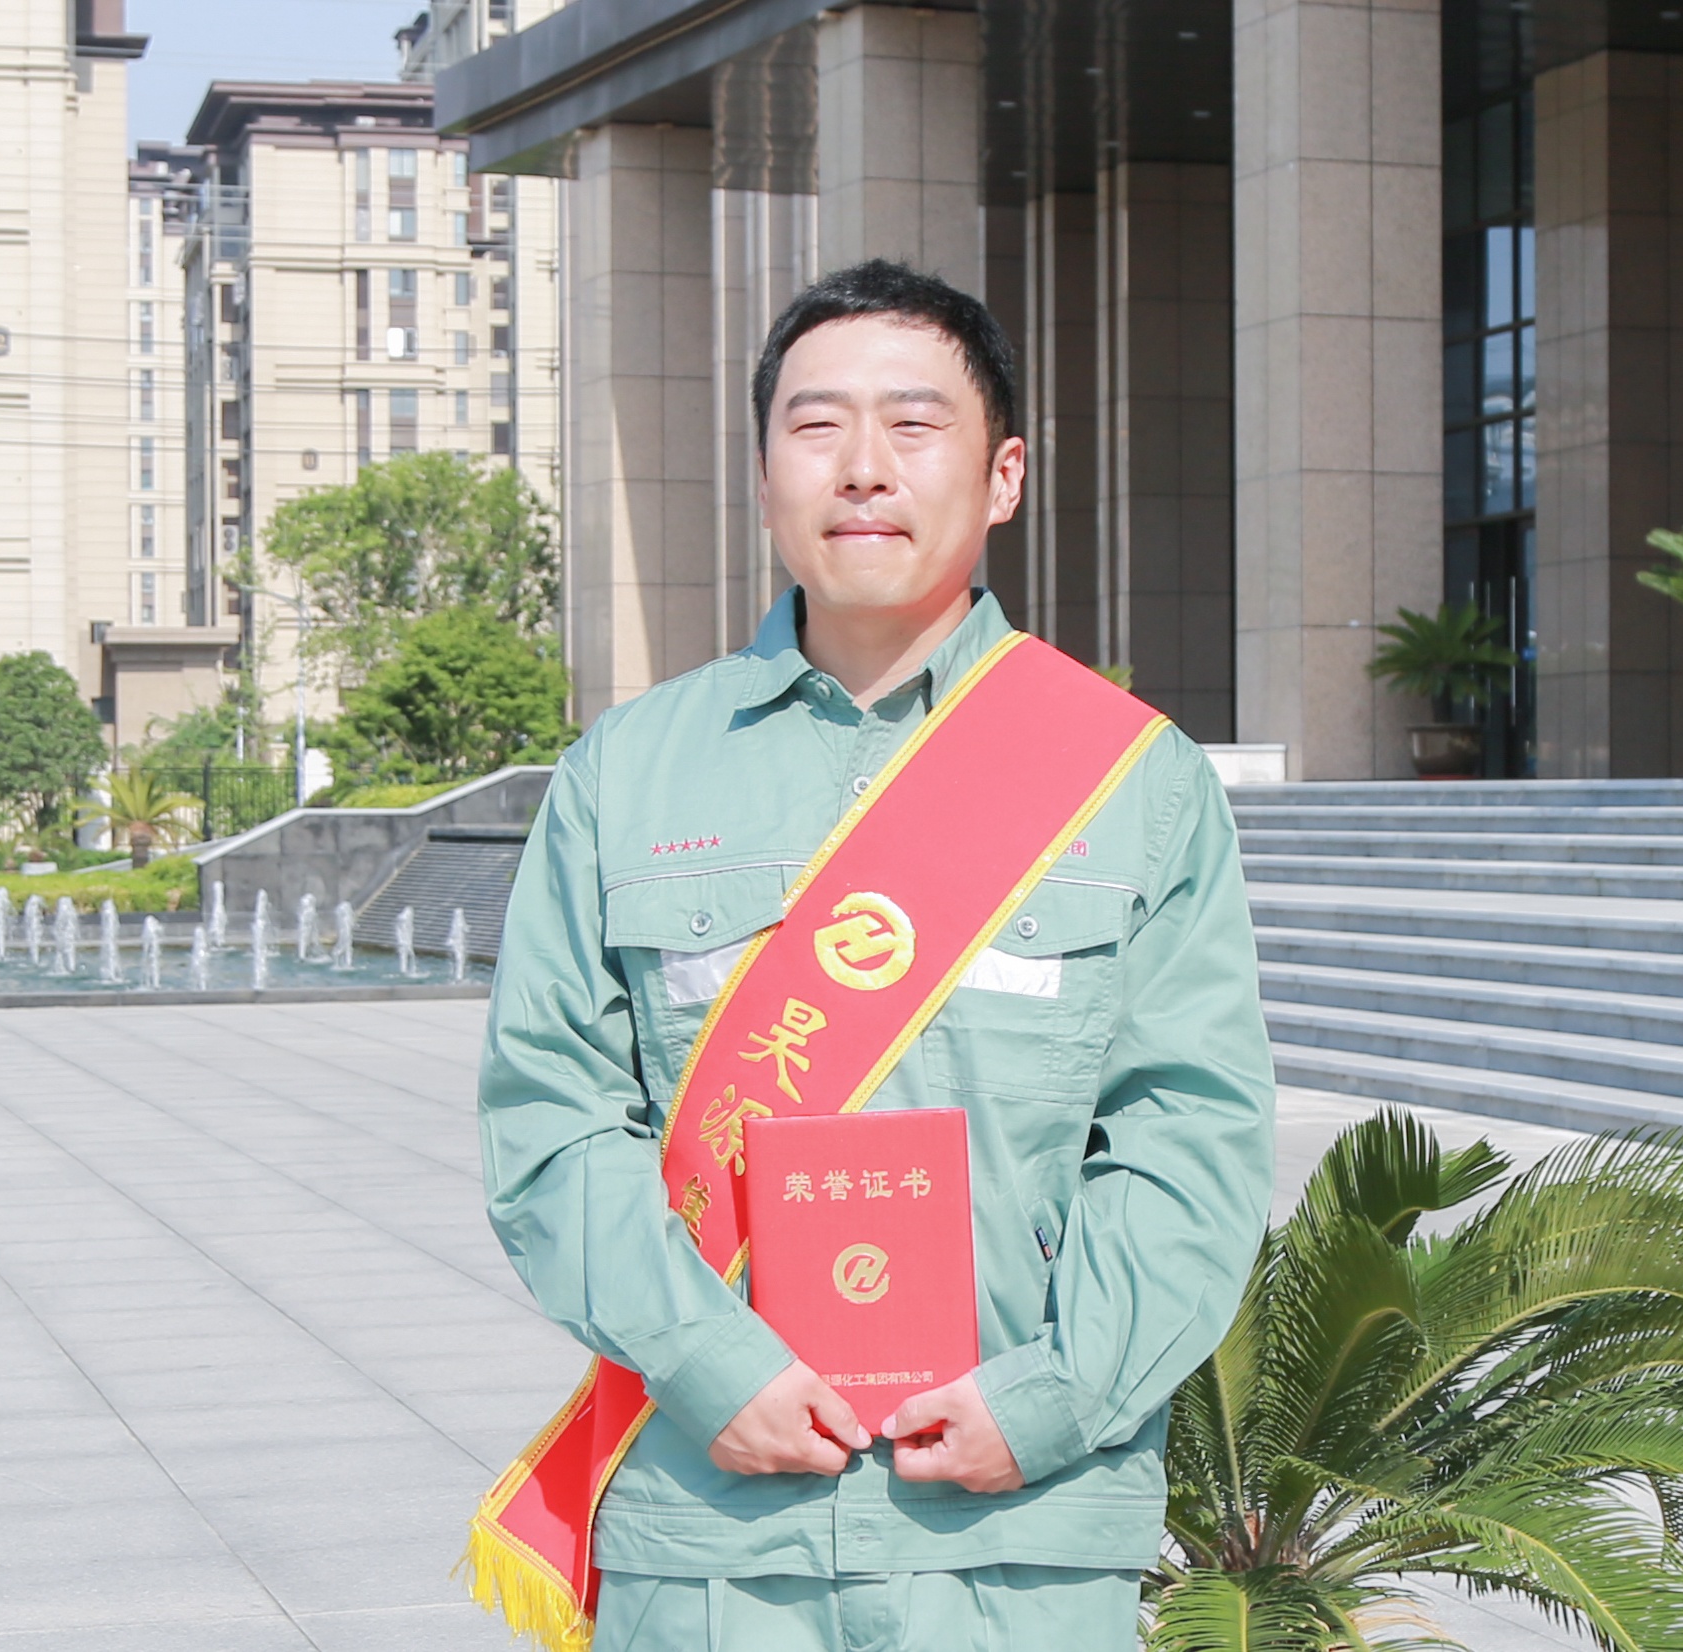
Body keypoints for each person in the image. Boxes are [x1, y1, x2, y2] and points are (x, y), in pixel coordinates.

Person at [478, 258, 1274, 1651]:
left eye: (913, 424)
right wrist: (705, 1362)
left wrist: (1052, 1400)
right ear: (763, 476)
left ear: (1004, 474)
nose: (862, 467)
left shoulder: (1132, 781)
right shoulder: (627, 773)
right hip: (712, 1529)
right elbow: (553, 1121)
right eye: (815, 426)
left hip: (1020, 1534)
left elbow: (1188, 1138)